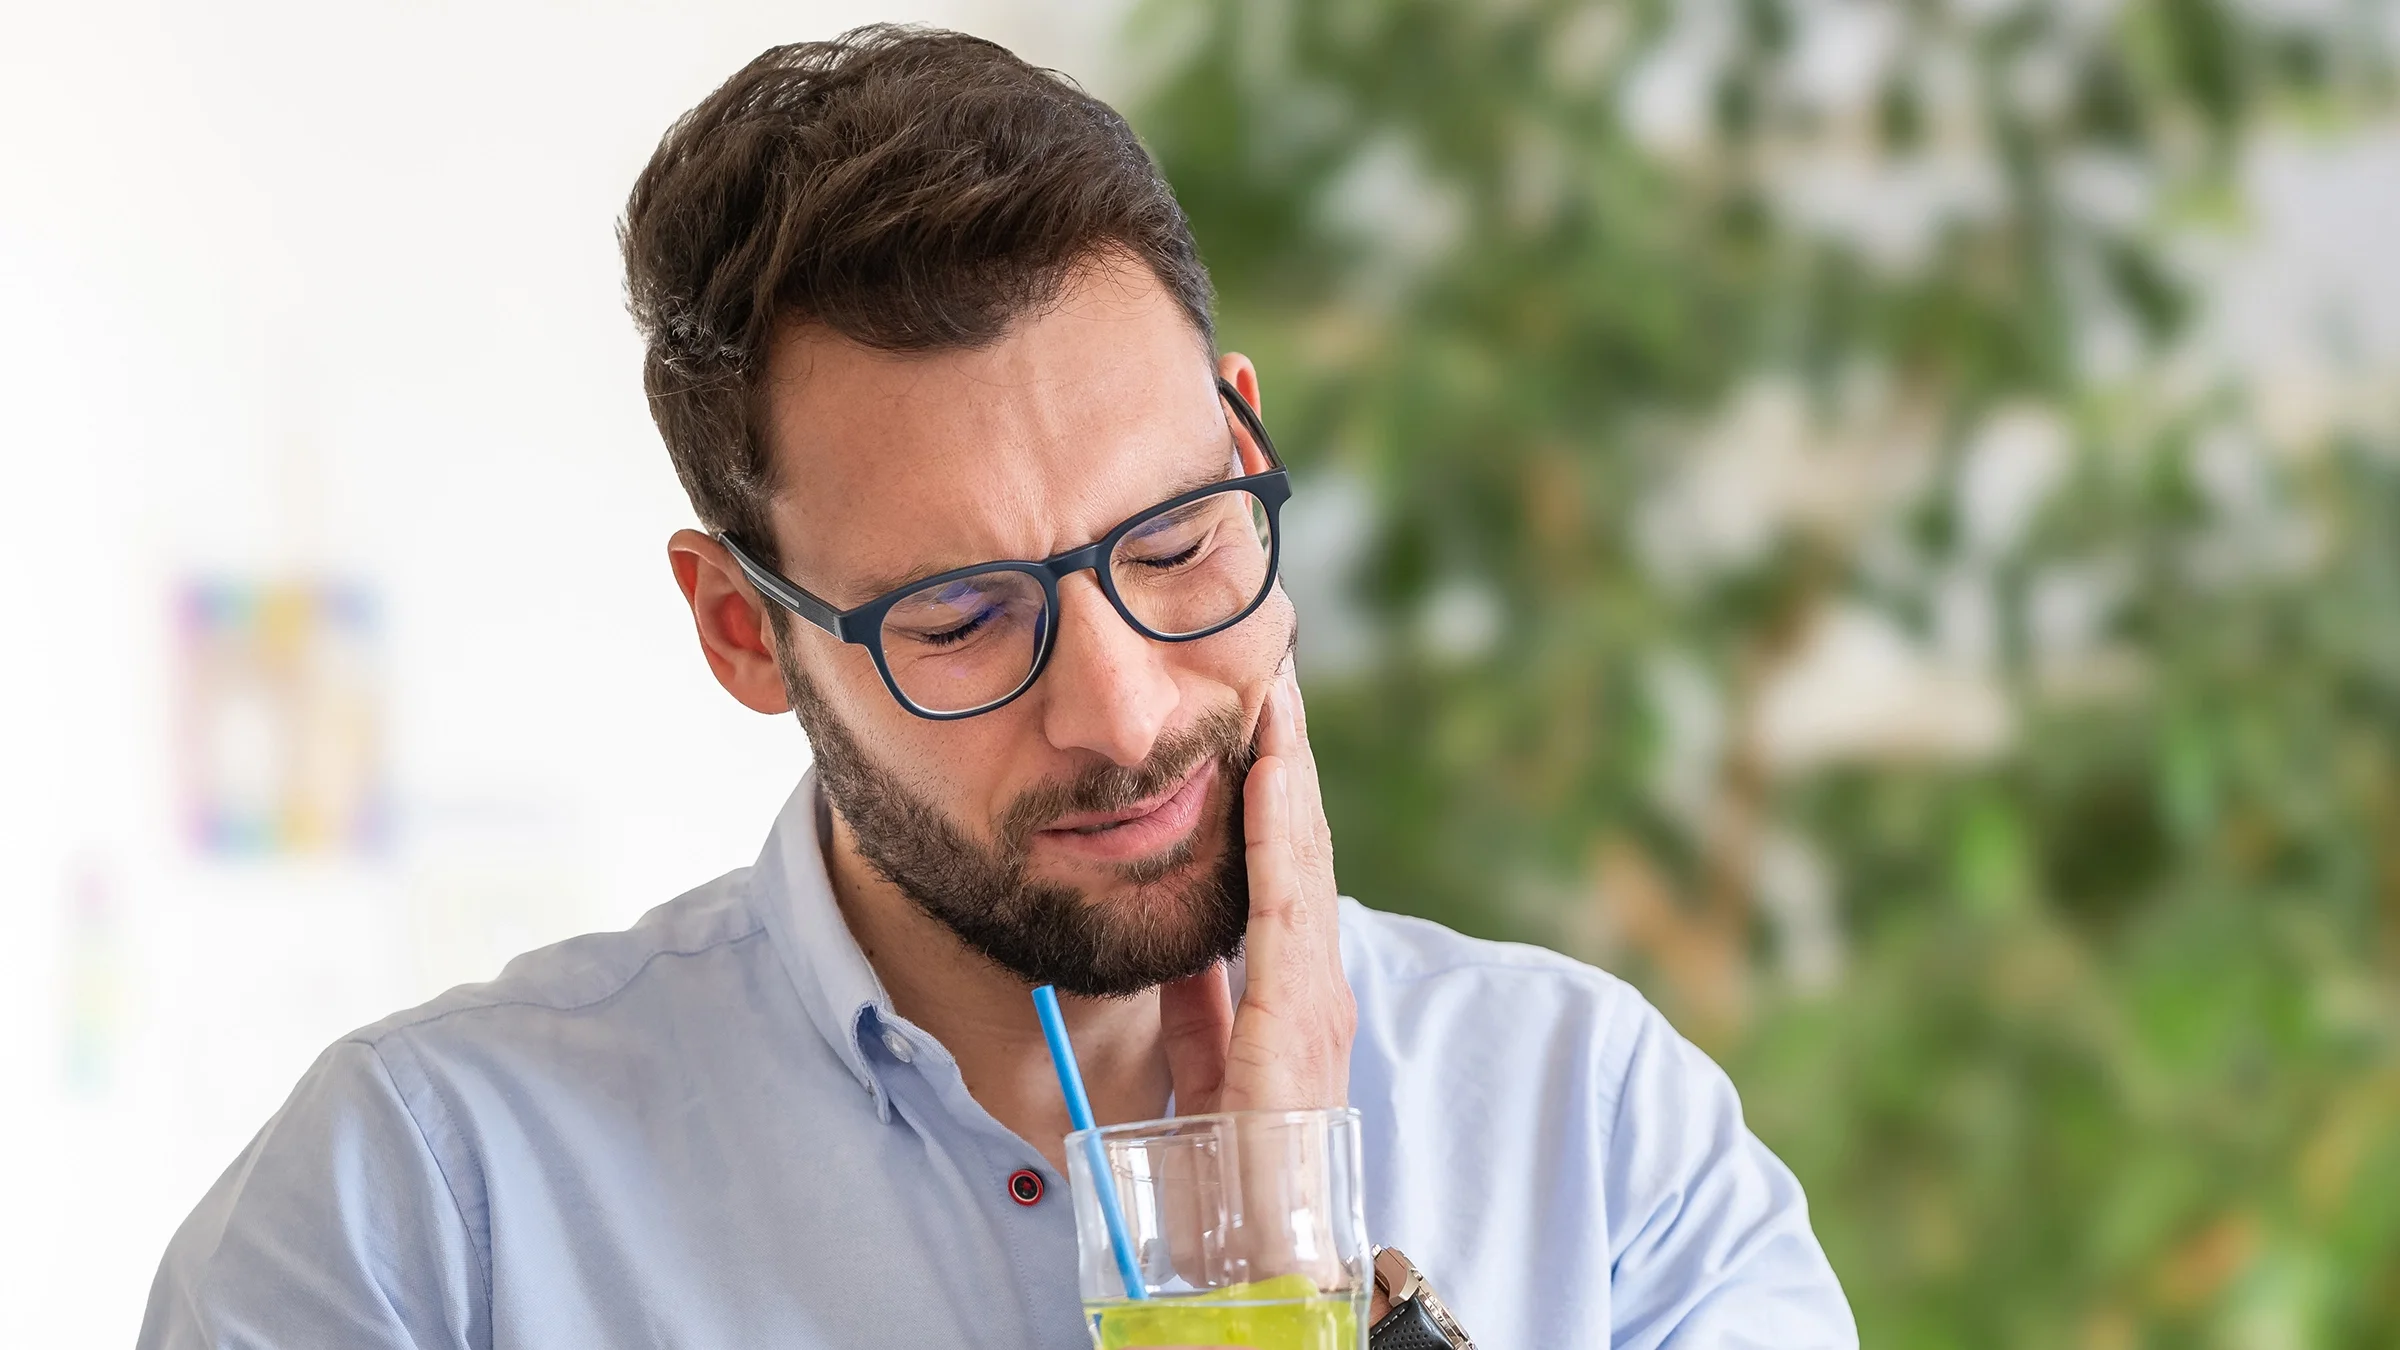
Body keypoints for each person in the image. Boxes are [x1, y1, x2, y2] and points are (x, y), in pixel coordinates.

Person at [140, 24, 1855, 1349]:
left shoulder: (1602, 1131)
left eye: (1178, 539)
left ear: (1246, 435)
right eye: (962, 615)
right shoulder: (427, 1215)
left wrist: (1288, 1278)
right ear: (744, 628)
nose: (1118, 710)